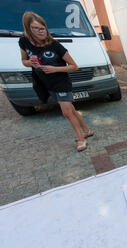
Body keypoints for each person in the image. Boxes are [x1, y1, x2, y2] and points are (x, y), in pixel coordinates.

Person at [19, 11, 92, 152]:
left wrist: (54, 69)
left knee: (67, 113)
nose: (41, 31)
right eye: (37, 29)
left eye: (43, 28)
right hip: (45, 82)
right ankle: (87, 131)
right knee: (71, 109)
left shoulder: (55, 45)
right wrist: (30, 63)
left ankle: (81, 139)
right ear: (29, 30)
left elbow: (74, 66)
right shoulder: (24, 42)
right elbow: (23, 61)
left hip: (61, 82)